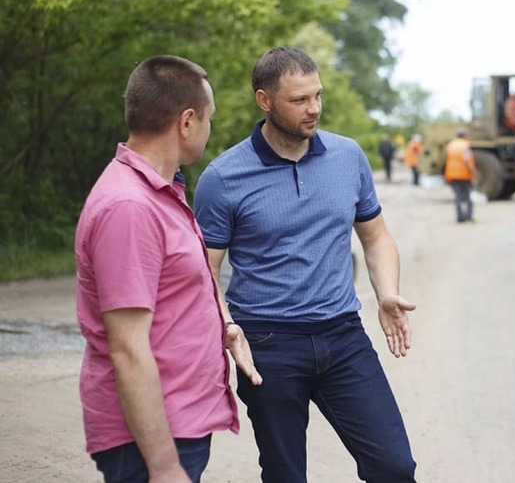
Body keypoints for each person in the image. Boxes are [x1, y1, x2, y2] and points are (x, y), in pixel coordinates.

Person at [193, 46, 417, 482]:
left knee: (394, 466)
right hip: (269, 345)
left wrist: (386, 293)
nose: (313, 109)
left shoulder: (348, 156)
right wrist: (225, 326)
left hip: (343, 336)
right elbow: (204, 271)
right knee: (285, 475)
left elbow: (375, 237)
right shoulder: (223, 178)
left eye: (317, 96)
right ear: (265, 101)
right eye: (299, 100)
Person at [74, 55, 240, 483]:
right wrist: (164, 467)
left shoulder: (161, 192)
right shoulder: (130, 207)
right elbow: (128, 347)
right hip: (149, 443)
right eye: (208, 118)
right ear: (187, 122)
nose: (209, 128)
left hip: (177, 424)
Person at [444, 128, 476, 223]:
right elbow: (468, 160)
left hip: (452, 174)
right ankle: (468, 215)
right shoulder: (465, 145)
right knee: (468, 196)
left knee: (458, 196)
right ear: (464, 135)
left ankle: (459, 216)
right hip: (464, 174)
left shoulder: (450, 145)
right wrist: (473, 171)